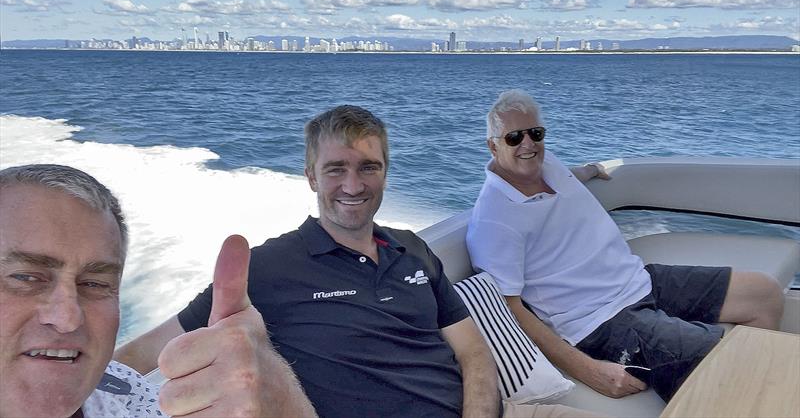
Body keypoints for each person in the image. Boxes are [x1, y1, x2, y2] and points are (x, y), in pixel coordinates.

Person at [115, 105, 600, 418]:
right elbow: (144, 354)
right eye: (336, 169)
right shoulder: (267, 267)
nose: (353, 185)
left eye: (368, 167)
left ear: (385, 172)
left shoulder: (413, 248)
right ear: (310, 177)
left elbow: (472, 352)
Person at [465, 89, 785, 402]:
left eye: (536, 133)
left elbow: (569, 177)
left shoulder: (548, 167)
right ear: (492, 146)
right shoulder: (494, 220)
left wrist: (590, 170)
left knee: (764, 294)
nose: (528, 144)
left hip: (637, 280)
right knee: (725, 360)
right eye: (514, 137)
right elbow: (509, 310)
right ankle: (751, 393)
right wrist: (589, 370)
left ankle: (760, 391)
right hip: (600, 321)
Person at [0, 164, 315, 418]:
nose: (67, 317)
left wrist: (284, 406)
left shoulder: (133, 399)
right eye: (26, 277)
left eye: (94, 284)